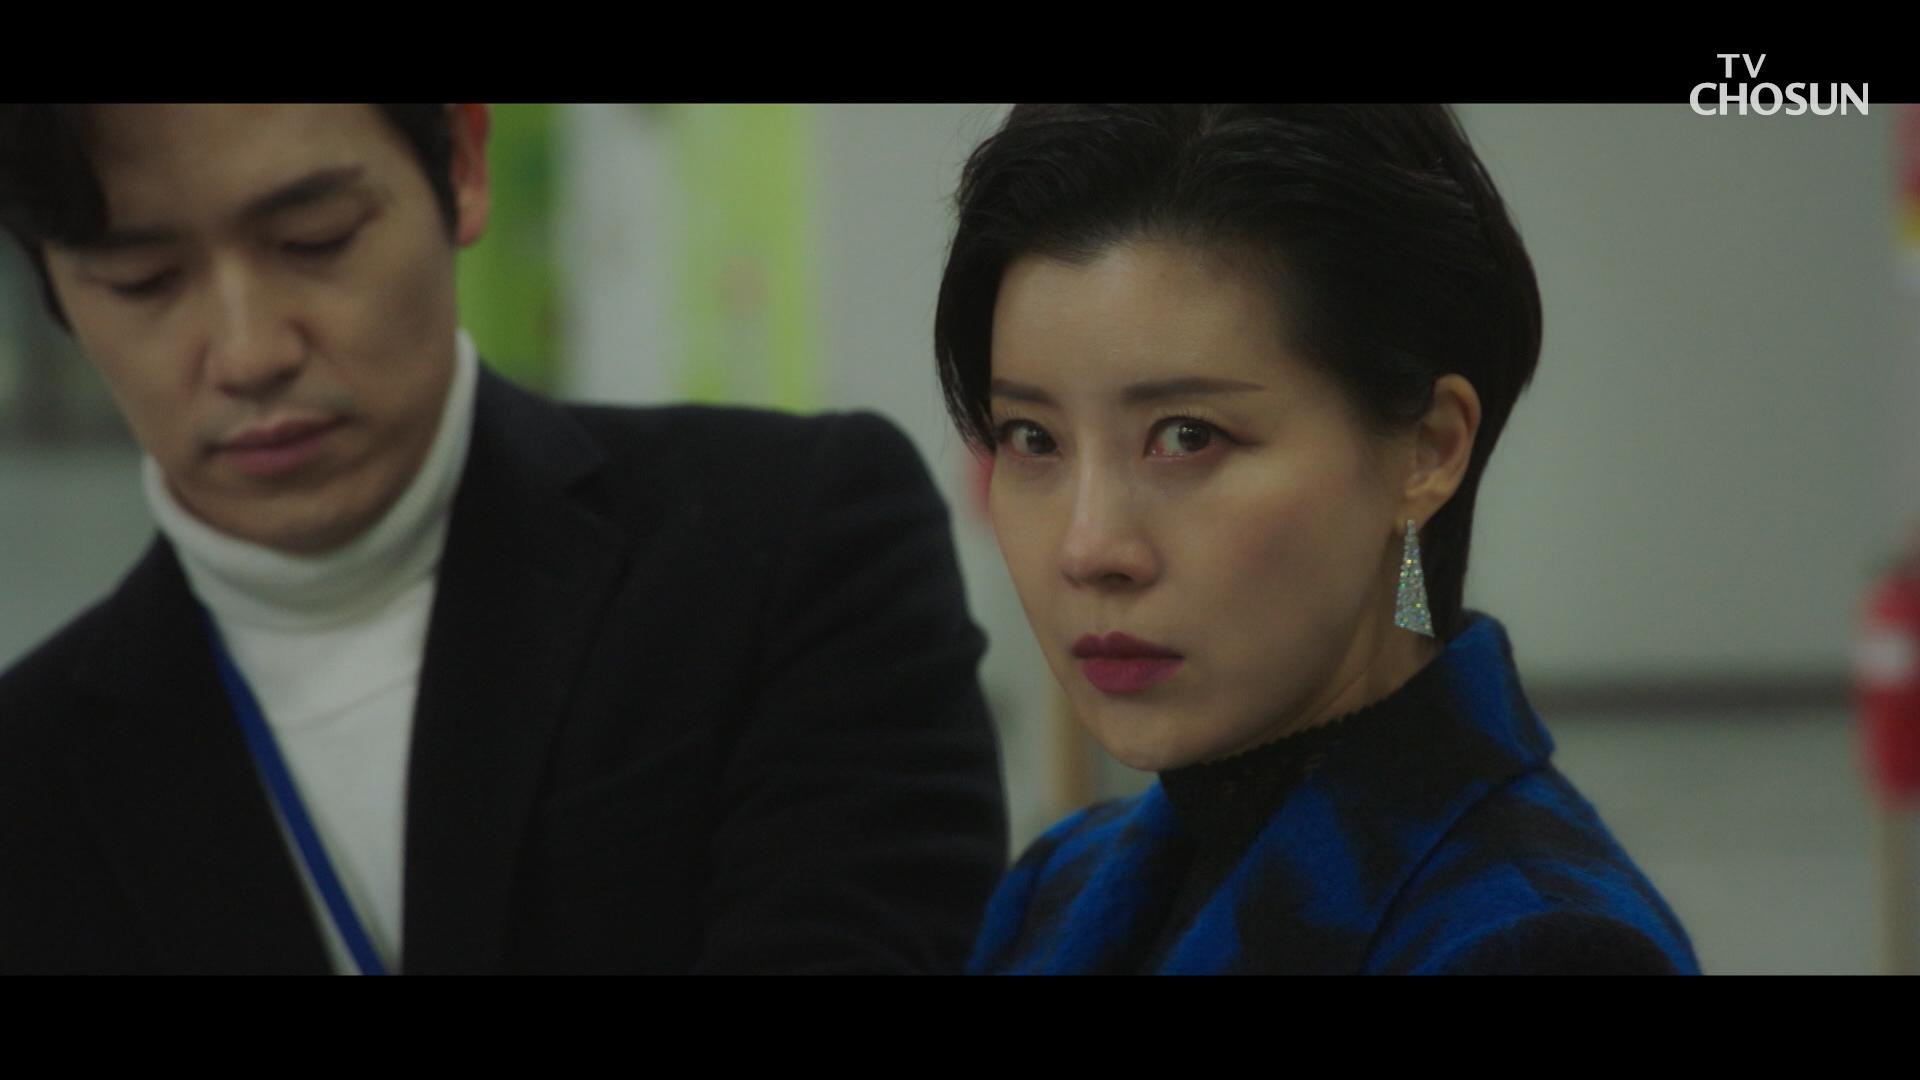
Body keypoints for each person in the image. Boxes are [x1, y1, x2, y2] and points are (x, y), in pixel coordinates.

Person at [0, 103, 1006, 974]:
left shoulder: (791, 539)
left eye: (315, 238)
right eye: (142, 280)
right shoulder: (29, 777)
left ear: (461, 163)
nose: (250, 352)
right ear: (51, 281)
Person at [934, 104, 1699, 974]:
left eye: (1187, 436)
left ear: (1427, 449)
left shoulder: (1536, 947)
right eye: (1032, 438)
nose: (1089, 548)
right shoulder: (1055, 888)